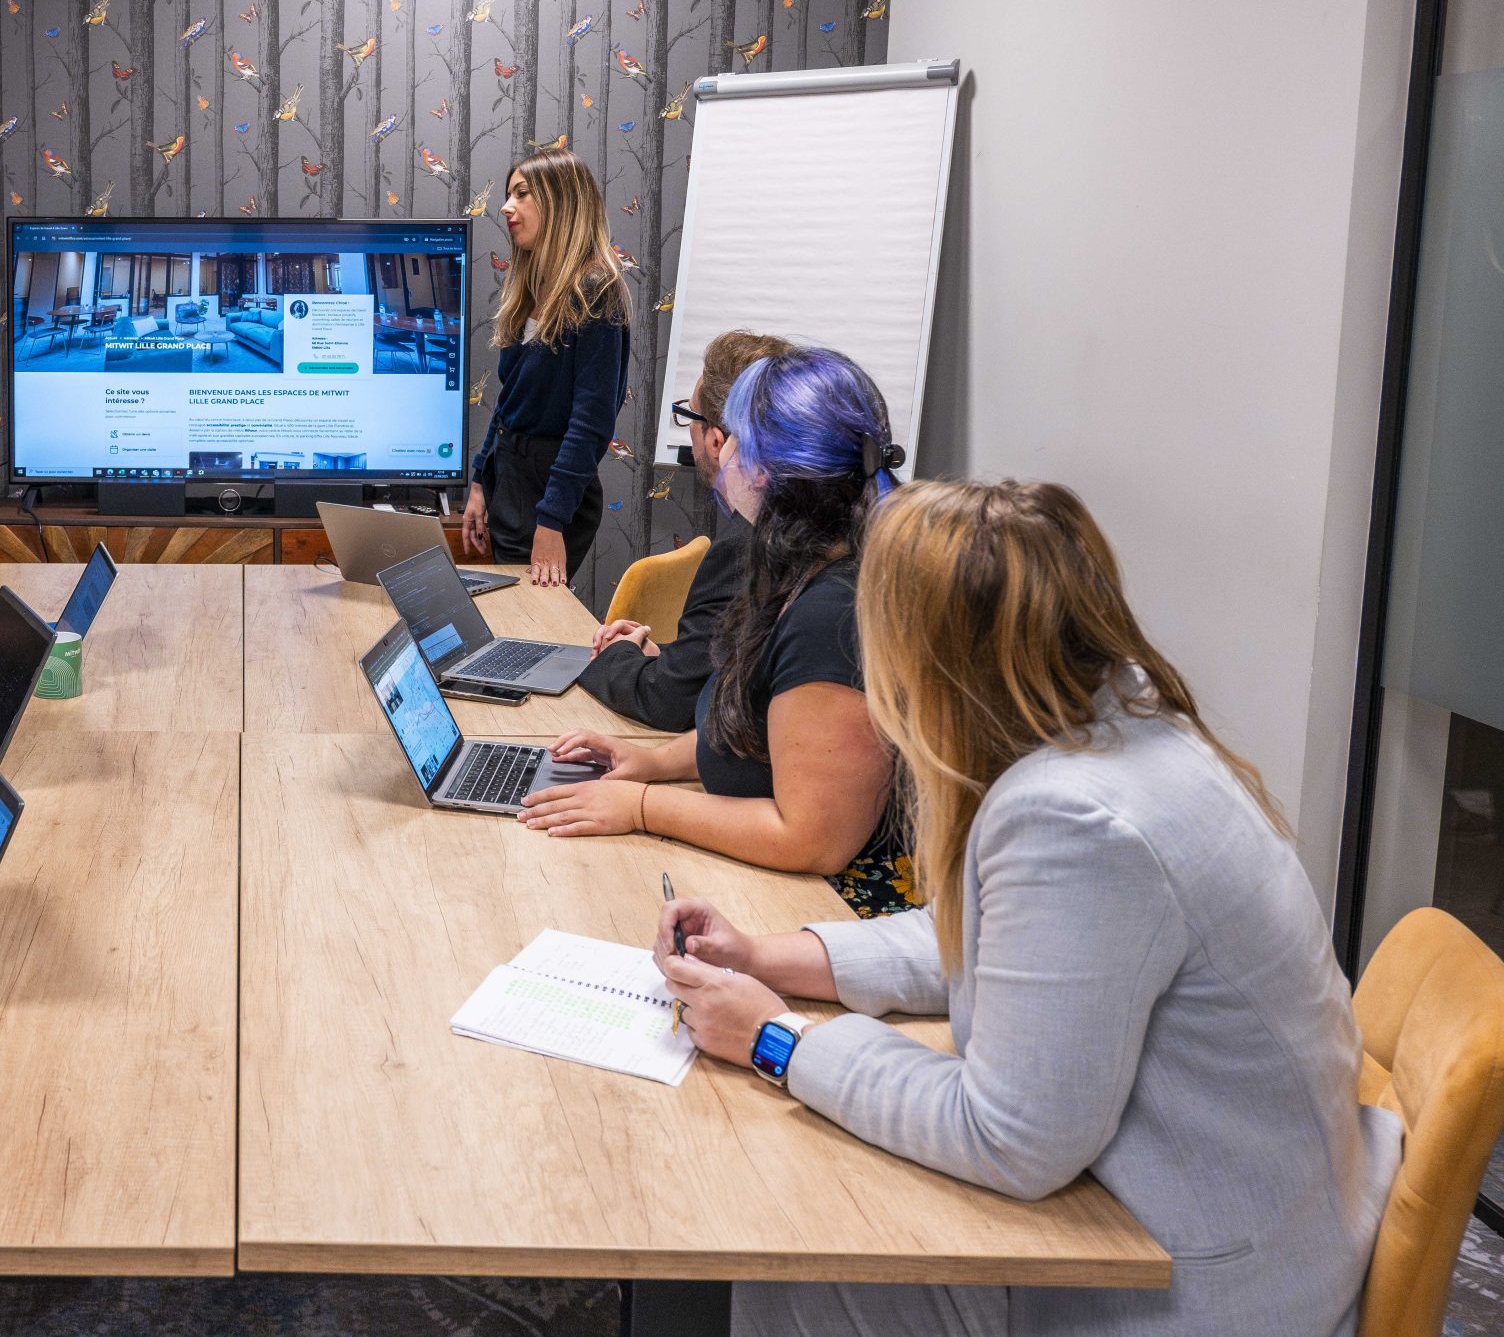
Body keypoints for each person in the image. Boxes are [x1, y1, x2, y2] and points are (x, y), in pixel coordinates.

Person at [654, 479, 1401, 1337]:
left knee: (792, 1238)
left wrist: (777, 1038)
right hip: (1247, 1212)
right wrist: (766, 956)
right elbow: (1009, 945)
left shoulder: (1072, 818)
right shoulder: (1120, 725)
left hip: (1203, 1292)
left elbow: (1009, 1138)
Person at [520, 346, 917, 917]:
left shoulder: (832, 611)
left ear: (763, 467)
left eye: (730, 436)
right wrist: (655, 763)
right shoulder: (799, 565)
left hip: (839, 909)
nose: (716, 448)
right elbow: (767, 735)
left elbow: (812, 839)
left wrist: (641, 807)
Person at [577, 328, 795, 731]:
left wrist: (618, 656)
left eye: (689, 416)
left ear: (716, 440)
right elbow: (733, 665)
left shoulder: (746, 550)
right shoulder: (815, 529)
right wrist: (664, 657)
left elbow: (668, 702)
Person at [463, 147, 631, 588]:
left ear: (560, 201)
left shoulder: (597, 291)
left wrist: (552, 521)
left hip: (547, 490)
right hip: (509, 478)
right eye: (507, 194)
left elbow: (591, 423)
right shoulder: (533, 288)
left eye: (521, 194)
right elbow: (511, 400)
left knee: (529, 622)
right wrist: (481, 480)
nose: (505, 207)